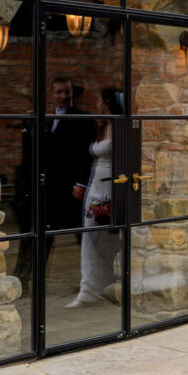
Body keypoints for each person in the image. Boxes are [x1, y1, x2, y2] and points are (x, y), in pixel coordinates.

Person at [66, 88, 123, 308]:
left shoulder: (119, 124)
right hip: (95, 183)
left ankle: (109, 287)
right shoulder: (103, 125)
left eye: (99, 98)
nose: (96, 102)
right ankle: (88, 289)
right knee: (90, 237)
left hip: (111, 183)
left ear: (107, 101)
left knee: (110, 240)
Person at [44, 76, 95, 256]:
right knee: (46, 234)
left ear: (72, 93)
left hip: (73, 186)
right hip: (51, 187)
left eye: (67, 92)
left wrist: (81, 183)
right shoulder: (47, 118)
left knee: (81, 234)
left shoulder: (83, 118)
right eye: (59, 92)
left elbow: (87, 154)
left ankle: (92, 276)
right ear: (52, 93)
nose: (63, 96)